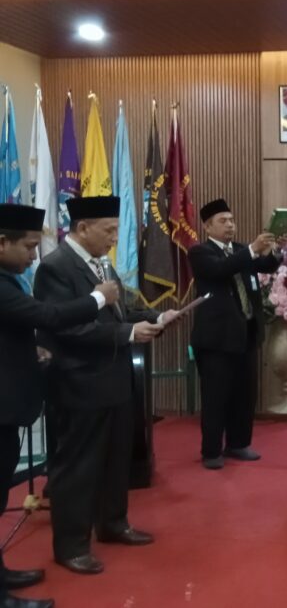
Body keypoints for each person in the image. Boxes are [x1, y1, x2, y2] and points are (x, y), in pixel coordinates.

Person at [33, 196, 179, 575]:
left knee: (116, 459)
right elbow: (66, 329)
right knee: (78, 467)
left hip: (114, 380)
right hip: (79, 384)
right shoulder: (55, 268)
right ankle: (71, 545)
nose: (115, 238)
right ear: (83, 228)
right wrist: (128, 333)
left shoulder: (101, 262)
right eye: (109, 230)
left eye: (116, 230)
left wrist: (156, 316)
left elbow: (119, 312)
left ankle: (113, 523)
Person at [0, 205, 119, 608]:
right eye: (29, 246)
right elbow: (47, 314)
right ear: (2, 243)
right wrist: (98, 298)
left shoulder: (8, 279)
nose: (34, 255)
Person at [189, 199, 281, 470]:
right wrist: (253, 249)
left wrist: (274, 250)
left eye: (231, 220)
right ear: (208, 227)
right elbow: (221, 269)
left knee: (244, 394)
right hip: (216, 339)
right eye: (223, 221)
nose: (230, 225)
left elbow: (267, 266)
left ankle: (238, 443)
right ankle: (211, 450)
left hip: (246, 334)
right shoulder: (200, 252)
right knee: (216, 396)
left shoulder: (241, 250)